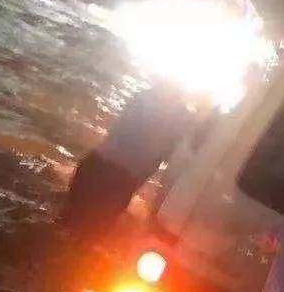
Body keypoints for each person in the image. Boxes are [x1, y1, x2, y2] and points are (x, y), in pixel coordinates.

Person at [61, 81, 199, 240]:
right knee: (92, 234)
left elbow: (117, 133)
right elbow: (161, 160)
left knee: (67, 224)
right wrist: (135, 189)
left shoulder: (144, 97)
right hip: (121, 177)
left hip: (96, 164)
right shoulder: (183, 118)